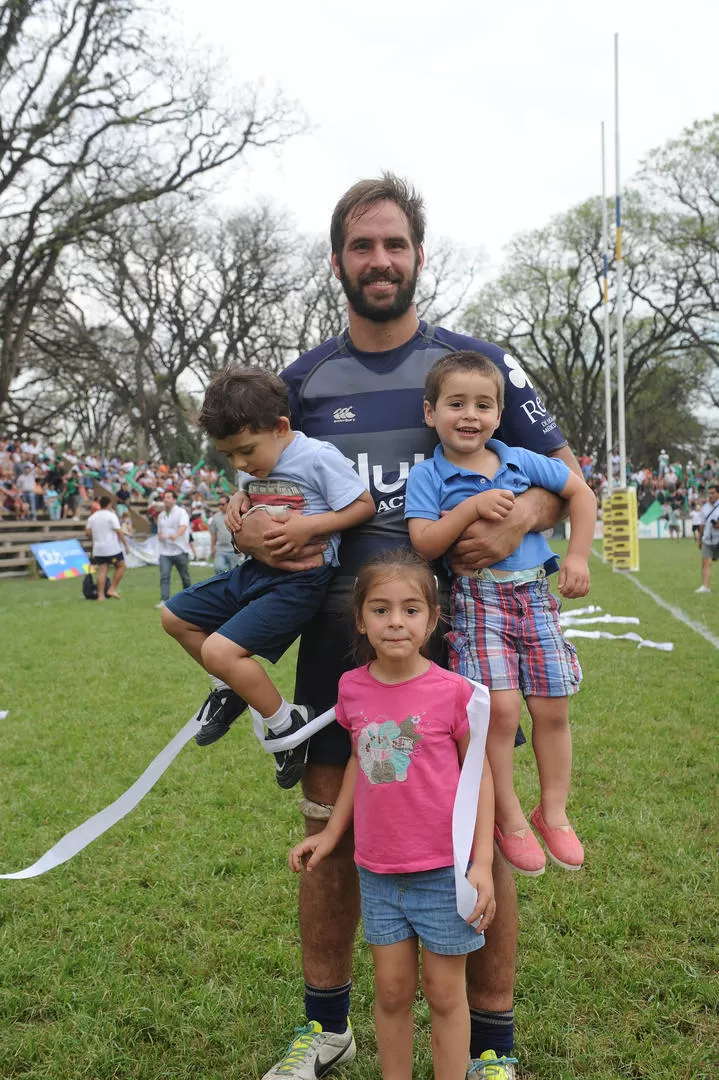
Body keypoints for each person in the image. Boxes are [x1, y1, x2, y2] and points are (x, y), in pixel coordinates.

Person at [223, 174, 581, 1080]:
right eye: (360, 245)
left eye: (394, 244)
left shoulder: (474, 365)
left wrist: (521, 520)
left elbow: (568, 473)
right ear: (338, 259)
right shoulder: (299, 383)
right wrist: (241, 515)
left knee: (476, 829)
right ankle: (326, 1028)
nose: (378, 261)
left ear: (419, 254)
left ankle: (492, 1048)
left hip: (465, 636)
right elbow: (253, 473)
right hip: (339, 642)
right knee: (333, 831)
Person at [289, 550, 501, 1080]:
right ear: (360, 619)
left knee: (445, 995)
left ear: (433, 619)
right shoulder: (352, 688)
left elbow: (482, 779)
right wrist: (332, 834)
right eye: (380, 610)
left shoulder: (456, 694)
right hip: (379, 873)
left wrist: (480, 864)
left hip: (443, 875)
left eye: (410, 610)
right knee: (391, 991)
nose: (396, 622)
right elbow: (363, 765)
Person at [405, 351, 596, 876]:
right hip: (479, 601)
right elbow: (423, 543)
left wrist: (576, 555)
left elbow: (580, 492)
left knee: (553, 705)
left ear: (499, 413)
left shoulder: (518, 459)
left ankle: (552, 812)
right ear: (431, 413)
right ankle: (508, 818)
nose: (470, 415)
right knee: (502, 712)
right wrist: (469, 508)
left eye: (483, 405)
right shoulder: (429, 476)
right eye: (456, 403)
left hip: (535, 597)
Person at [161, 367, 374, 780]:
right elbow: (251, 488)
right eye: (229, 456)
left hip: (301, 580)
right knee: (174, 616)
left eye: (245, 451)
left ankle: (286, 723)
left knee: (220, 651)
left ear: (280, 427)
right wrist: (236, 499)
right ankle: (230, 689)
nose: (240, 463)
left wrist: (310, 526)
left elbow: (363, 505)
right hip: (255, 569)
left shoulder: (318, 457)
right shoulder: (255, 464)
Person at [85, 495, 129, 600]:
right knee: (121, 566)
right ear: (109, 504)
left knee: (102, 570)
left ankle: (101, 595)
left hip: (98, 548)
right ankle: (112, 589)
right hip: (111, 547)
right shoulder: (111, 515)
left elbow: (87, 532)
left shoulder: (93, 516)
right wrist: (125, 544)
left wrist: (95, 538)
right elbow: (118, 531)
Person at [155, 489, 192, 608]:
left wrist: (176, 535)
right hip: (165, 551)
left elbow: (184, 526)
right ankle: (164, 599)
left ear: (175, 499)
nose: (166, 499)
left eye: (169, 497)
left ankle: (190, 598)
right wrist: (160, 536)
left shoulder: (181, 512)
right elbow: (159, 531)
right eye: (165, 497)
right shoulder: (161, 515)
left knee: (185, 576)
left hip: (179, 549)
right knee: (164, 576)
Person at [695, 483, 719, 593]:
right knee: (706, 562)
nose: (711, 495)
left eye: (713, 493)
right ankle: (705, 586)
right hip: (707, 539)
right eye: (709, 493)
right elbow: (702, 524)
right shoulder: (705, 507)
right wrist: (700, 539)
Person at [209, 495, 242, 572]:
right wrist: (212, 548)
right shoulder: (216, 517)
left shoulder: (236, 515)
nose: (220, 506)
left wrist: (241, 548)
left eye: (222, 504)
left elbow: (240, 532)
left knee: (235, 573)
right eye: (219, 504)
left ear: (228, 503)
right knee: (218, 568)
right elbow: (213, 534)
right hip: (220, 550)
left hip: (233, 550)